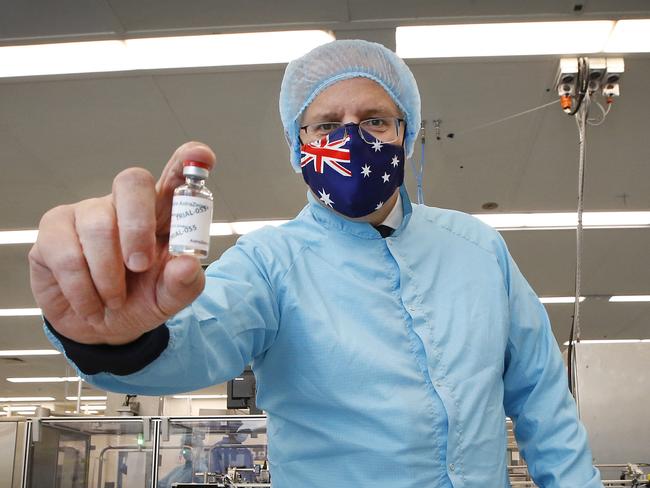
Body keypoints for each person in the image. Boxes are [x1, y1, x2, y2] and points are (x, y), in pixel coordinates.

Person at [29, 40, 603, 487]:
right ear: (297, 145)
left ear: (406, 135)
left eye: (375, 120)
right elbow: (192, 340)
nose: (352, 140)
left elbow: (542, 400)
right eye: (326, 126)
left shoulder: (479, 250)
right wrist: (115, 336)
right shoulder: (269, 264)